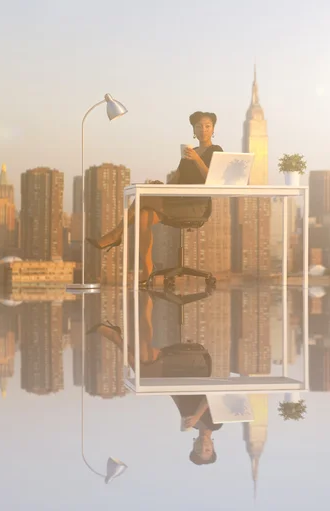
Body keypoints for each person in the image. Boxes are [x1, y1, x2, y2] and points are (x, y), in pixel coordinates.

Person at [87, 111, 223, 284]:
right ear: (193, 131)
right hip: (178, 200)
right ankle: (148, 268)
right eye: (198, 126)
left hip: (196, 204)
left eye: (207, 126)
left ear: (213, 129)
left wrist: (196, 158)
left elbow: (212, 180)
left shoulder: (216, 151)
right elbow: (177, 179)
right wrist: (162, 186)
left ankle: (115, 235)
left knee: (144, 198)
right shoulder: (189, 152)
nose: (203, 130)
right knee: (143, 217)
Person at [88, 292, 220, 465]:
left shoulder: (191, 424)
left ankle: (133, 315)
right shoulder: (218, 423)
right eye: (207, 450)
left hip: (177, 375)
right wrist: (196, 415)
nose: (202, 446)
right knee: (144, 356)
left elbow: (179, 397)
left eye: (198, 449)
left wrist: (161, 387)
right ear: (213, 446)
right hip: (195, 366)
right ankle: (117, 332)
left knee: (143, 366)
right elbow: (213, 395)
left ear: (193, 444)